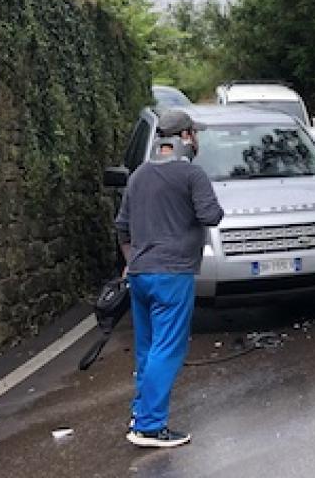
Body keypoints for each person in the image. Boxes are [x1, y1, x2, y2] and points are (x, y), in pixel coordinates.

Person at [115, 109, 223, 449]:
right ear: (186, 137)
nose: (198, 139)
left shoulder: (138, 176)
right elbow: (211, 215)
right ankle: (149, 426)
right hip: (172, 273)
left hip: (140, 273)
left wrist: (131, 261)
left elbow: (122, 227)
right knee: (168, 349)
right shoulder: (192, 175)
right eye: (196, 133)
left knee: (148, 349)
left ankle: (140, 414)